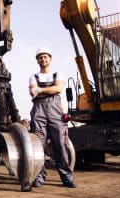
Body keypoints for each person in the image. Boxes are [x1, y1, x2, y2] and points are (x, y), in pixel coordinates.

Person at [29, 46, 76, 188]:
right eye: (40, 57)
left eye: (45, 56)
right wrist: (47, 91)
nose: (43, 59)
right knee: (38, 145)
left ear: (50, 58)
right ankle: (38, 176)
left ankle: (67, 177)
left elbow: (58, 89)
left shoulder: (58, 74)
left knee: (60, 144)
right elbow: (33, 93)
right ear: (37, 60)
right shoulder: (33, 76)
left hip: (55, 110)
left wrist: (41, 90)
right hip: (38, 110)